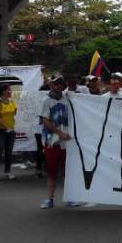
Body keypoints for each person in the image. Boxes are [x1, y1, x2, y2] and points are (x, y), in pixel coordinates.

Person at [40, 77, 76, 209]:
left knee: (68, 171)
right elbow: (46, 121)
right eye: (55, 84)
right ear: (51, 86)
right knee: (52, 172)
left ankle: (70, 198)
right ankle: (50, 198)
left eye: (60, 84)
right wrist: (60, 134)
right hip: (52, 142)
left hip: (67, 142)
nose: (58, 86)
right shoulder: (46, 100)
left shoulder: (68, 98)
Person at [0, 84, 17, 182]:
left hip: (11, 130)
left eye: (10, 90)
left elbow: (15, 114)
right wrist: (6, 127)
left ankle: (8, 172)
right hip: (0, 130)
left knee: (9, 152)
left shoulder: (12, 102)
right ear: (3, 92)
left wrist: (11, 127)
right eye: (8, 90)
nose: (10, 92)